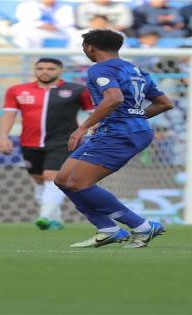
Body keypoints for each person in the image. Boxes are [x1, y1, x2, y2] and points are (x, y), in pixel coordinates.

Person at [54, 29, 174, 248]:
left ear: (90, 48)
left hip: (121, 132)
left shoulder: (100, 68)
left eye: (84, 48)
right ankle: (107, 229)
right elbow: (165, 103)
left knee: (78, 183)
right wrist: (134, 117)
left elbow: (113, 98)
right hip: (123, 129)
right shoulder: (135, 69)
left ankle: (143, 227)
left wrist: (83, 128)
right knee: (63, 180)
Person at [0, 58, 94, 230]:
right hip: (29, 142)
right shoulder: (17, 90)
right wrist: (3, 136)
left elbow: (93, 113)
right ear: (34, 70)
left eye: (50, 68)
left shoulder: (78, 90)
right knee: (39, 179)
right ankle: (55, 219)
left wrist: (94, 128)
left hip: (64, 141)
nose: (45, 71)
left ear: (60, 70)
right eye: (40, 68)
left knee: (53, 177)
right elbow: (8, 115)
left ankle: (44, 215)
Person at [10, 0, 76, 49]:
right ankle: (28, 60)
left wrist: (54, 27)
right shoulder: (26, 5)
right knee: (21, 30)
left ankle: (78, 63)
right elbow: (26, 21)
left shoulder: (65, 7)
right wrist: (43, 26)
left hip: (58, 33)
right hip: (36, 32)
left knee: (77, 35)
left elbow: (68, 23)